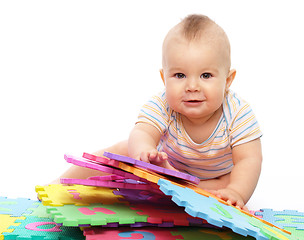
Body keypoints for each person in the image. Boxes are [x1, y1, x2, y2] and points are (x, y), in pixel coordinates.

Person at [54, 14, 262, 210]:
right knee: (123, 148)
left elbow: (248, 159)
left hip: (209, 182)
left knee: (231, 179)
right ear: (164, 78)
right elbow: (143, 132)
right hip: (164, 172)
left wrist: (235, 191)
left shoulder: (237, 113)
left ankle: (200, 196)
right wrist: (145, 153)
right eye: (180, 75)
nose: (192, 86)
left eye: (206, 75)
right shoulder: (163, 105)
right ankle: (59, 185)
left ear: (227, 81)